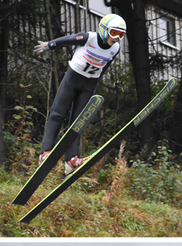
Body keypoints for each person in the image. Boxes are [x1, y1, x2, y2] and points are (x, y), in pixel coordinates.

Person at [34, 14, 126, 174]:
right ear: (104, 30)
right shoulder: (89, 38)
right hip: (73, 78)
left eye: (121, 35)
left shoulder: (115, 48)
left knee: (78, 122)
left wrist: (95, 80)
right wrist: (49, 45)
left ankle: (71, 159)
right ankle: (45, 152)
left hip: (89, 84)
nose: (116, 38)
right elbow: (68, 40)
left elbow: (105, 66)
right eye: (114, 33)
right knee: (58, 114)